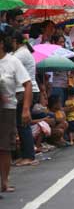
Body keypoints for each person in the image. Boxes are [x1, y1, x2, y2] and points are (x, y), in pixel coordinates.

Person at [0, 27, 32, 195]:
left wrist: (25, 109)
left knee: (4, 147)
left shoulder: (12, 61)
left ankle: (4, 181)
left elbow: (27, 83)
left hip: (7, 110)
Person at [12, 29, 39, 166]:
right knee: (22, 124)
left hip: (25, 92)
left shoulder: (20, 55)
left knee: (23, 124)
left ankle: (29, 156)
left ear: (15, 41)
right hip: (27, 91)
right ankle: (26, 155)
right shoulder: (22, 52)